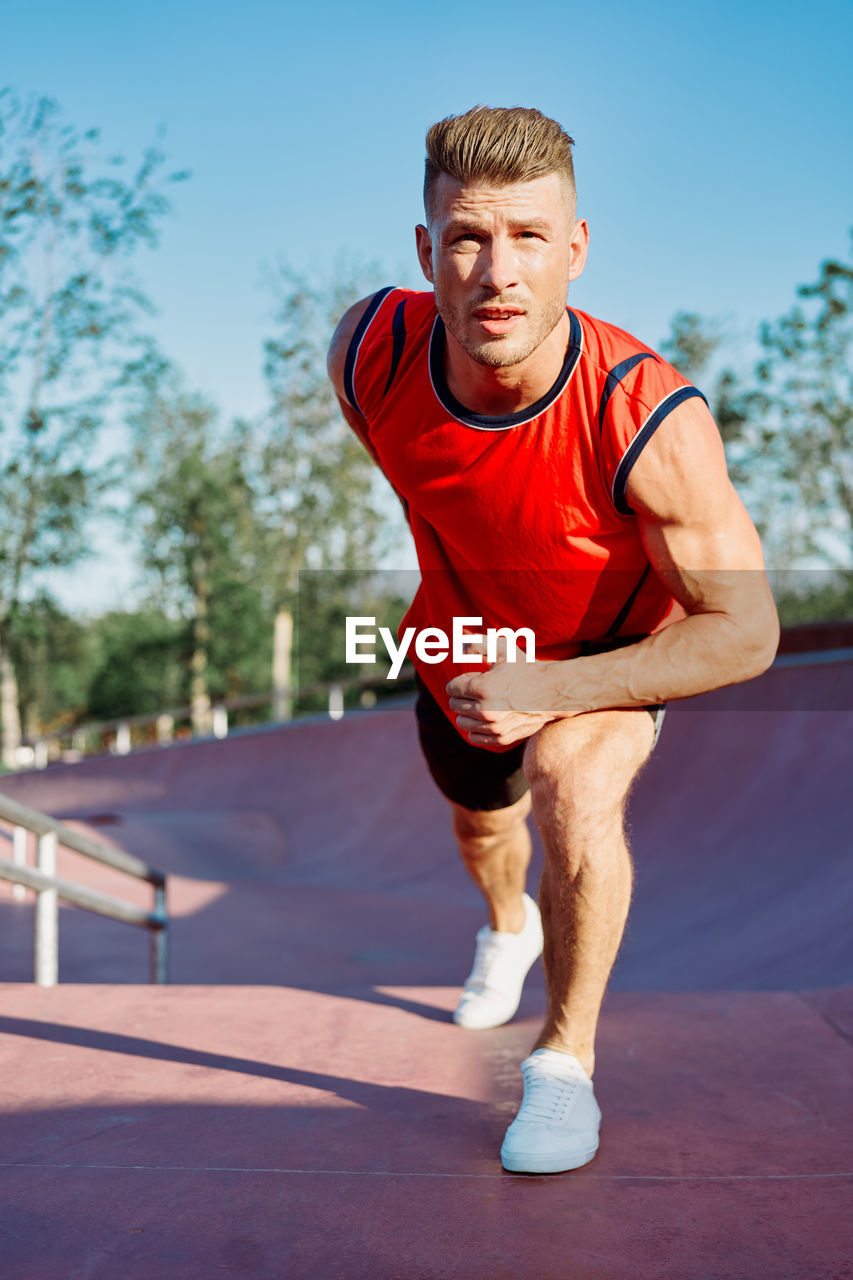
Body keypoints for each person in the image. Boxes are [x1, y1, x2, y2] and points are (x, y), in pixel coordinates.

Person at [327, 106, 779, 1175]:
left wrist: (561, 685)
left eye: (530, 236)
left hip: (612, 644)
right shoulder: (366, 353)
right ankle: (506, 926)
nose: (499, 271)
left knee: (573, 781)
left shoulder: (643, 417)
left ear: (575, 249)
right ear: (427, 251)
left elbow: (749, 627)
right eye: (471, 238)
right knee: (485, 829)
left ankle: (562, 1065)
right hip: (461, 642)